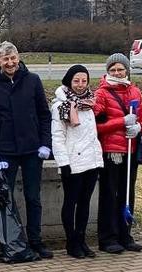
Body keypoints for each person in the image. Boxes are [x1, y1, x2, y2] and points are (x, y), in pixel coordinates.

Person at [0, 41, 54, 259]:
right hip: (5, 152)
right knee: (5, 199)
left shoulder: (32, 81)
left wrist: (45, 143)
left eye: (13, 58)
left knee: (33, 197)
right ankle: (10, 243)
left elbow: (44, 114)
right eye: (5, 59)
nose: (10, 63)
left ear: (18, 58)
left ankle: (35, 240)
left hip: (32, 150)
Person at [93, 53, 142, 254]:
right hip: (111, 151)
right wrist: (121, 122)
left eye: (120, 69)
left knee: (127, 193)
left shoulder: (135, 91)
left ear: (127, 70)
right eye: (113, 70)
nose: (117, 73)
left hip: (130, 150)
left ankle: (125, 234)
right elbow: (96, 125)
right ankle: (108, 237)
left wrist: (139, 128)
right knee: (109, 194)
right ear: (108, 71)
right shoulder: (101, 94)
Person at [50, 65, 103, 259]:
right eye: (76, 81)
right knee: (71, 202)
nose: (80, 85)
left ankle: (81, 239)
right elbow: (57, 136)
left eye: (84, 80)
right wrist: (63, 162)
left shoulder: (89, 103)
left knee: (84, 202)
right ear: (69, 81)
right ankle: (71, 241)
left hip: (91, 160)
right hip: (72, 161)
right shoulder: (61, 105)